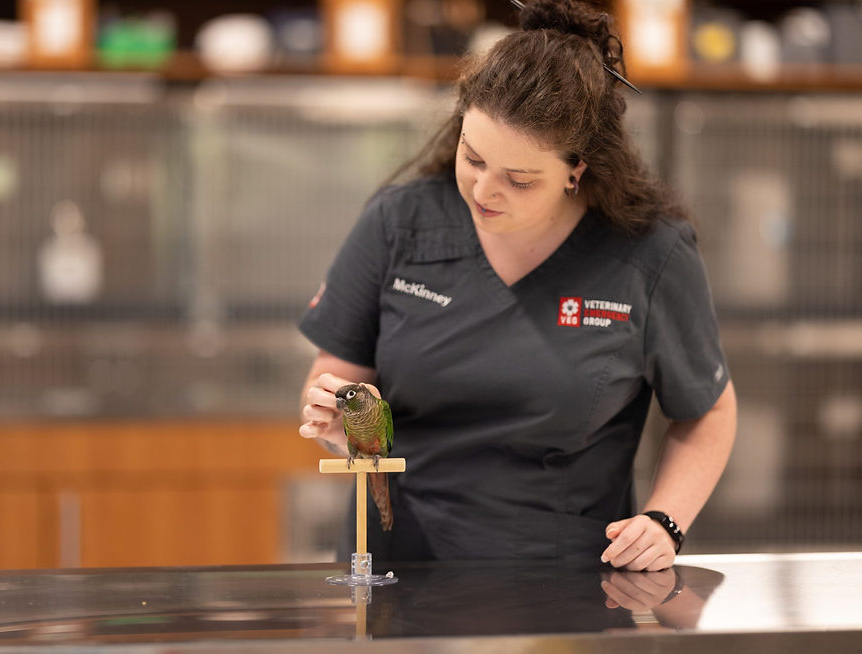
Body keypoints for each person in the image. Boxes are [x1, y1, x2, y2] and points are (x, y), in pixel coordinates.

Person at [297, 0, 736, 571]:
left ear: (577, 169)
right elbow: (335, 383)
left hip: (568, 582)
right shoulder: (399, 224)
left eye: (519, 179)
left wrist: (665, 520)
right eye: (472, 158)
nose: (484, 191)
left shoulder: (649, 254)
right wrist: (333, 418)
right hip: (397, 569)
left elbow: (706, 410)